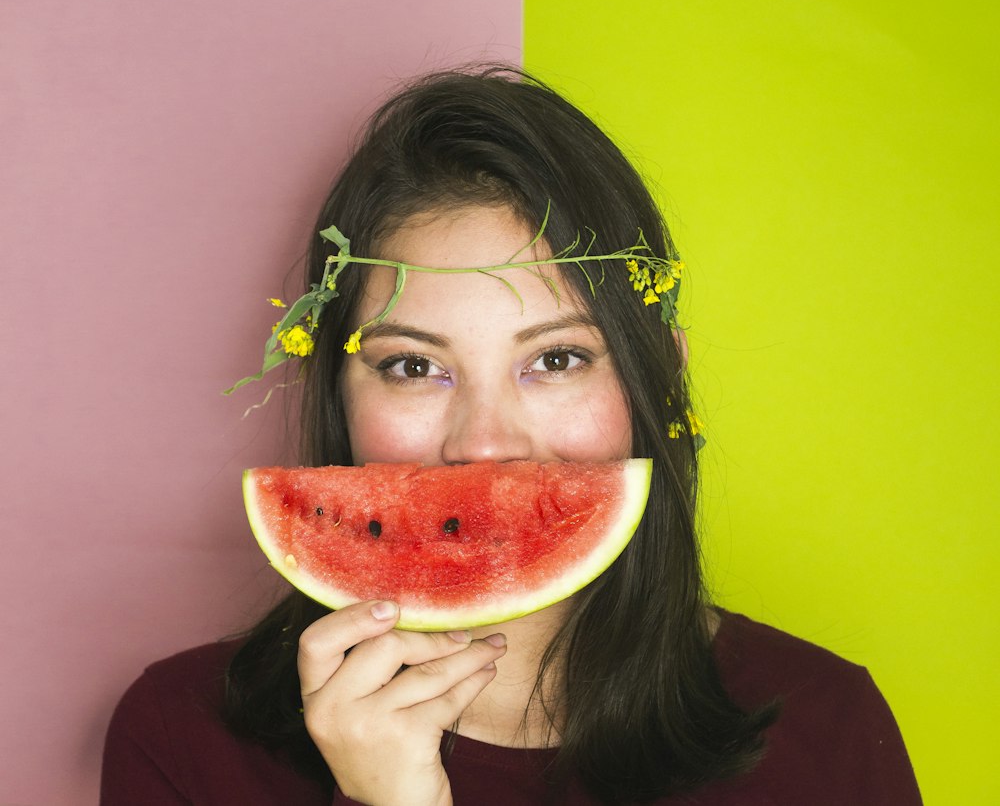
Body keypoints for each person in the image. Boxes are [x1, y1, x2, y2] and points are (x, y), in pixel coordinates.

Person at [101, 67, 922, 804]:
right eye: (414, 367)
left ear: (654, 376)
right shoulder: (183, 742)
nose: (485, 445)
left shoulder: (826, 733)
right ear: (337, 390)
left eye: (557, 358)